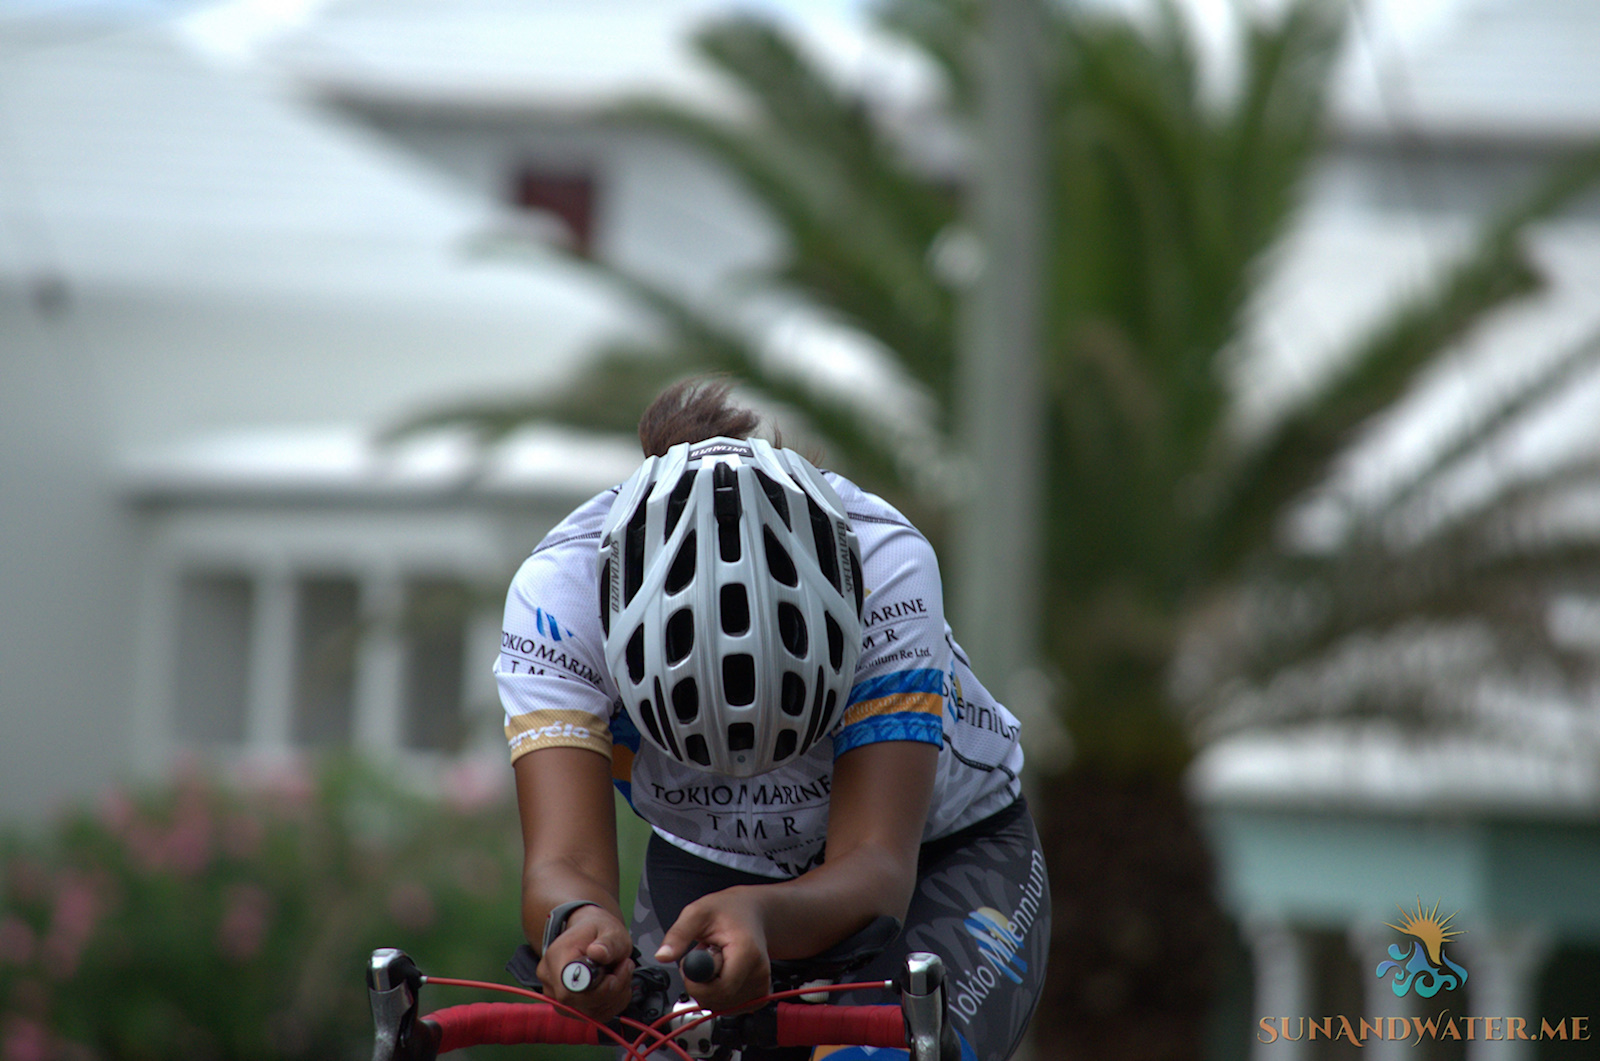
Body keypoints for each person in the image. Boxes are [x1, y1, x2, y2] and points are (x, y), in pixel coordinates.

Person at [495, 380, 1049, 1061]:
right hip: (709, 861)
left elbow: (874, 863)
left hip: (941, 851)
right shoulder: (560, 600)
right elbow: (565, 862)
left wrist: (762, 912)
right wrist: (578, 926)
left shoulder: (883, 564)